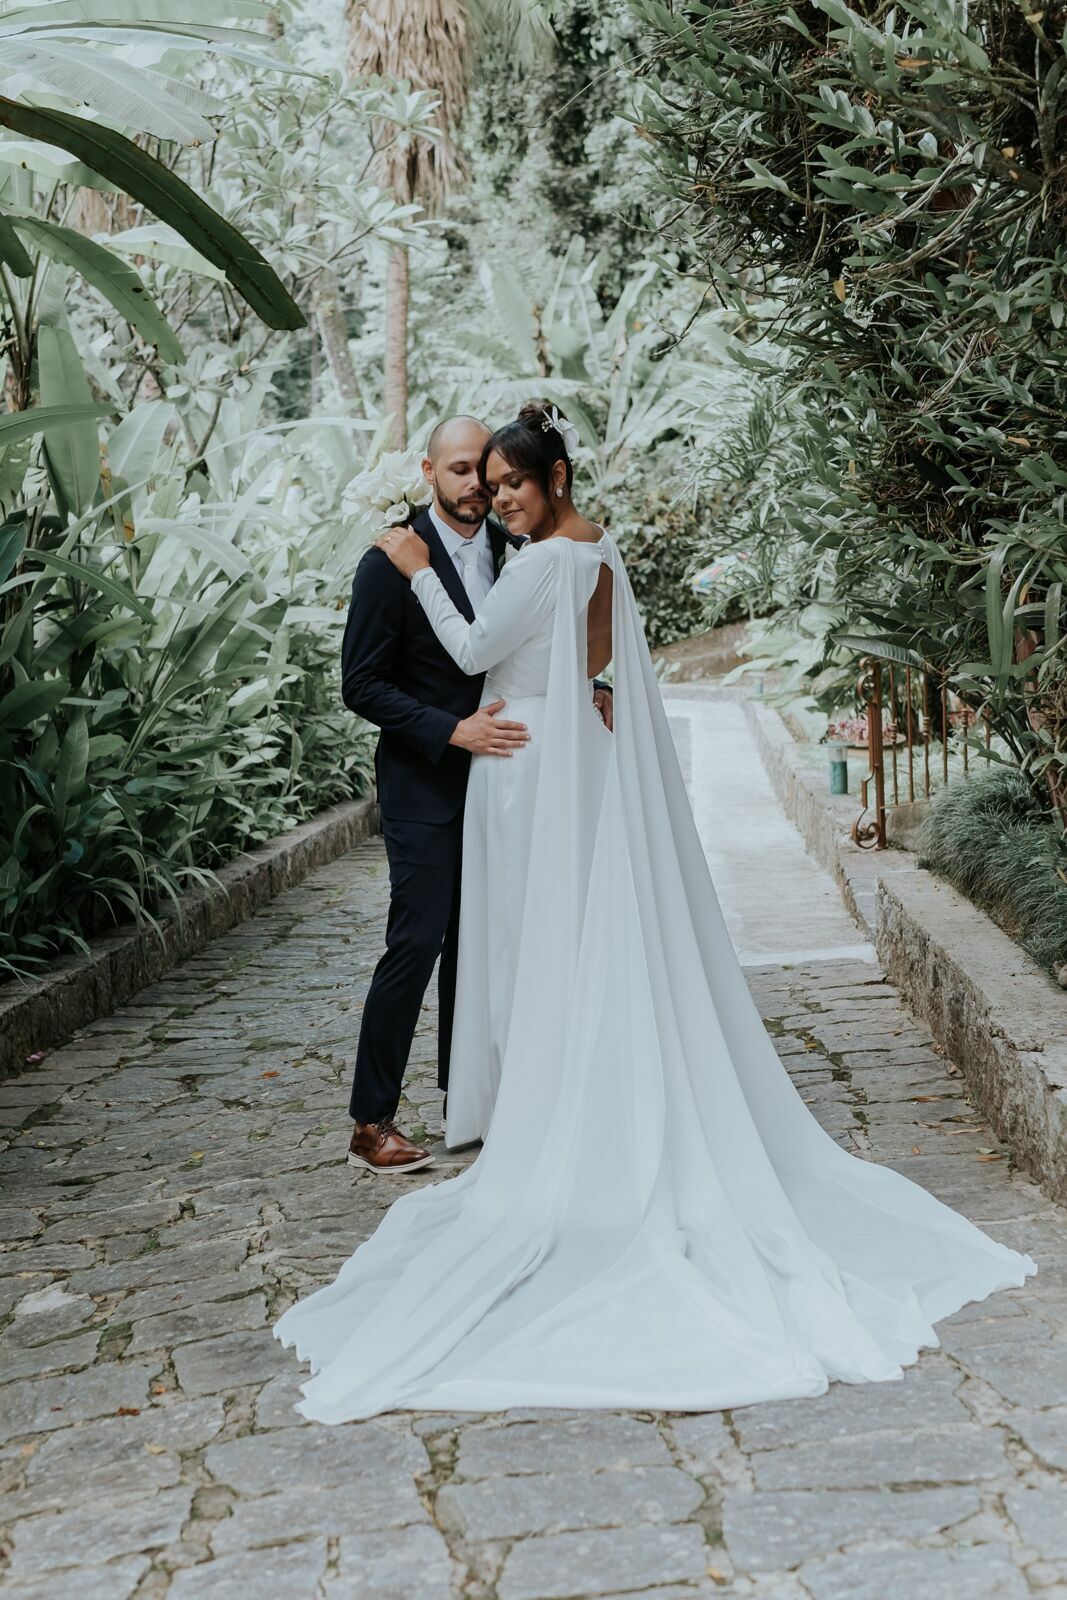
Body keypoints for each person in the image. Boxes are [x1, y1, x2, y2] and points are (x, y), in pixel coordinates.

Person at [275, 401, 1034, 1423]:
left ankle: (535, 1115)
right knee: (497, 939)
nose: (492, 497)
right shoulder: (573, 550)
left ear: (550, 479)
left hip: (523, 763)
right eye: (478, 481)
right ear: (434, 473)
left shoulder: (529, 558)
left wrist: (448, 595)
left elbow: (482, 647)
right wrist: (555, 685)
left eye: (506, 482)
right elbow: (483, 665)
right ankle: (445, 1109)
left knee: (529, 942)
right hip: (509, 763)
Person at [340, 413, 612, 1175]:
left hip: (508, 783)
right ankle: (370, 1122)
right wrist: (450, 731)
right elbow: (360, 684)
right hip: (427, 783)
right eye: (460, 470)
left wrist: (590, 687)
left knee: (487, 942)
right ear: (428, 473)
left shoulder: (516, 545)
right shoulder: (392, 561)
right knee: (417, 941)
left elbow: (548, 638)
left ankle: (476, 1101)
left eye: (486, 475)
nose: (476, 487)